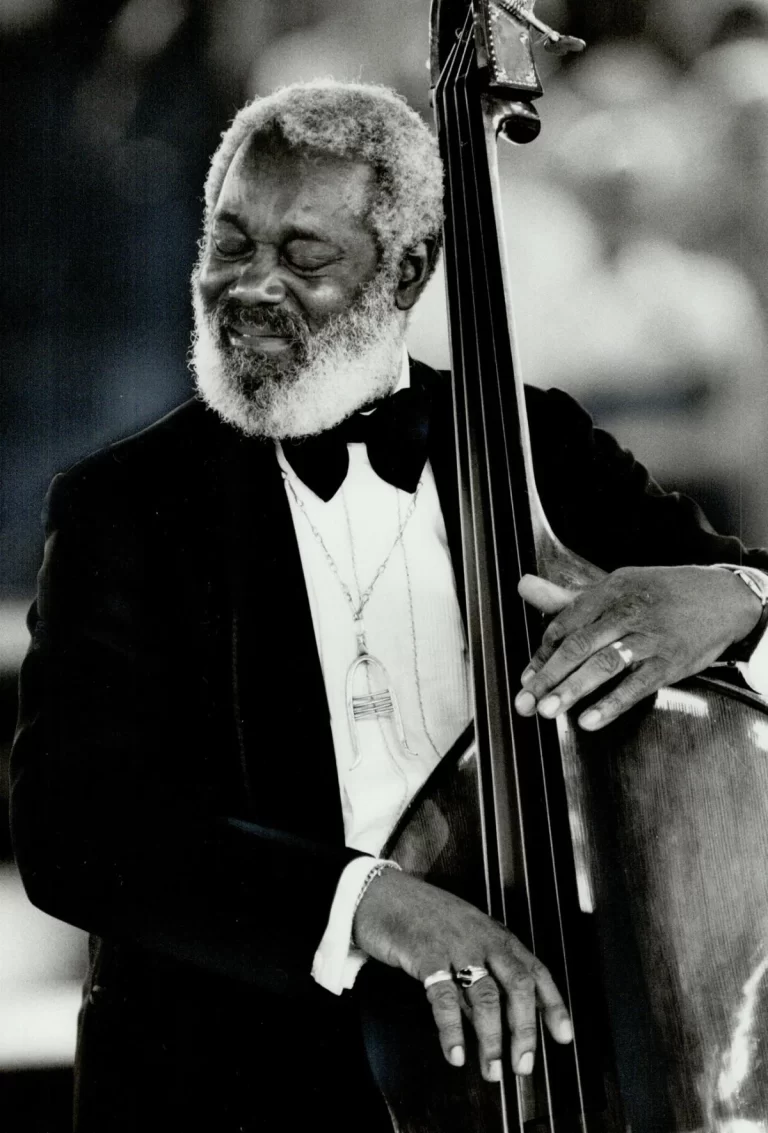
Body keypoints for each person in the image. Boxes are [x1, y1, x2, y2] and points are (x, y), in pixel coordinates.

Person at [10, 80, 768, 1133]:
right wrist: (368, 902)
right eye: (230, 242)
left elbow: (739, 596)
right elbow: (75, 830)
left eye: (305, 256)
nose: (251, 285)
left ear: (408, 267)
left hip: (567, 1065)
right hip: (241, 1086)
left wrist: (737, 596)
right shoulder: (124, 507)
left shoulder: (538, 447)